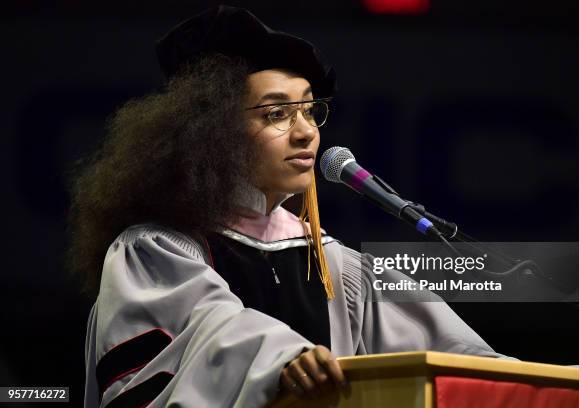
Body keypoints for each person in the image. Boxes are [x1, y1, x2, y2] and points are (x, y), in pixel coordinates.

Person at [69, 6, 508, 408]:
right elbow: (208, 331)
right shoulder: (155, 254)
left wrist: (529, 380)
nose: (306, 134)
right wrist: (282, 360)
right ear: (212, 134)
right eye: (276, 114)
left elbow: (451, 356)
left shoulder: (333, 266)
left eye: (310, 111)